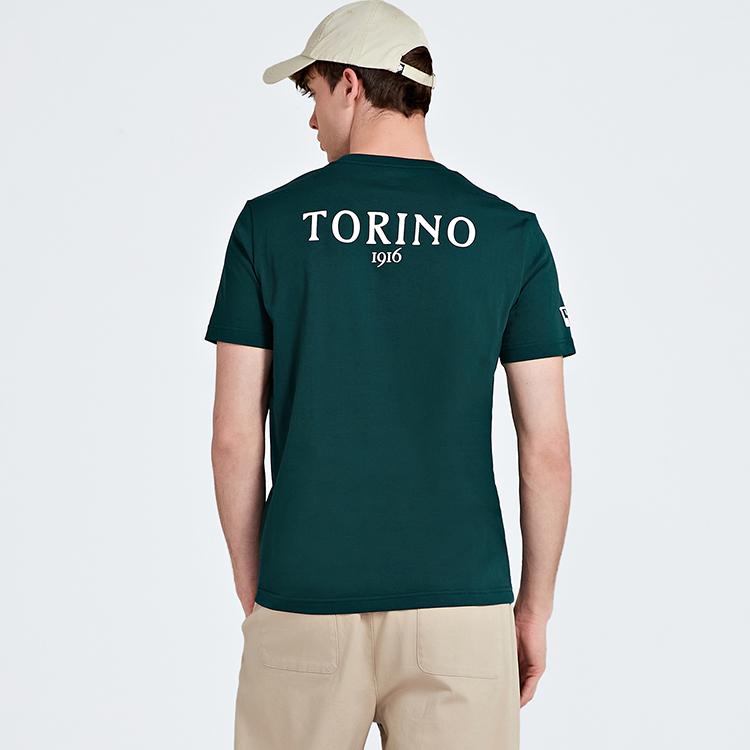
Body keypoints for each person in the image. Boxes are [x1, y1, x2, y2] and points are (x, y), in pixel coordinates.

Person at [205, 1, 576, 748]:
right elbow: (546, 449)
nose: (312, 121)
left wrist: (256, 585)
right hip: (461, 605)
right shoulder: (510, 235)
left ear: (350, 84)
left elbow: (234, 438)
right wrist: (532, 610)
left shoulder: (267, 226)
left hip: (305, 592)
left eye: (312, 94)